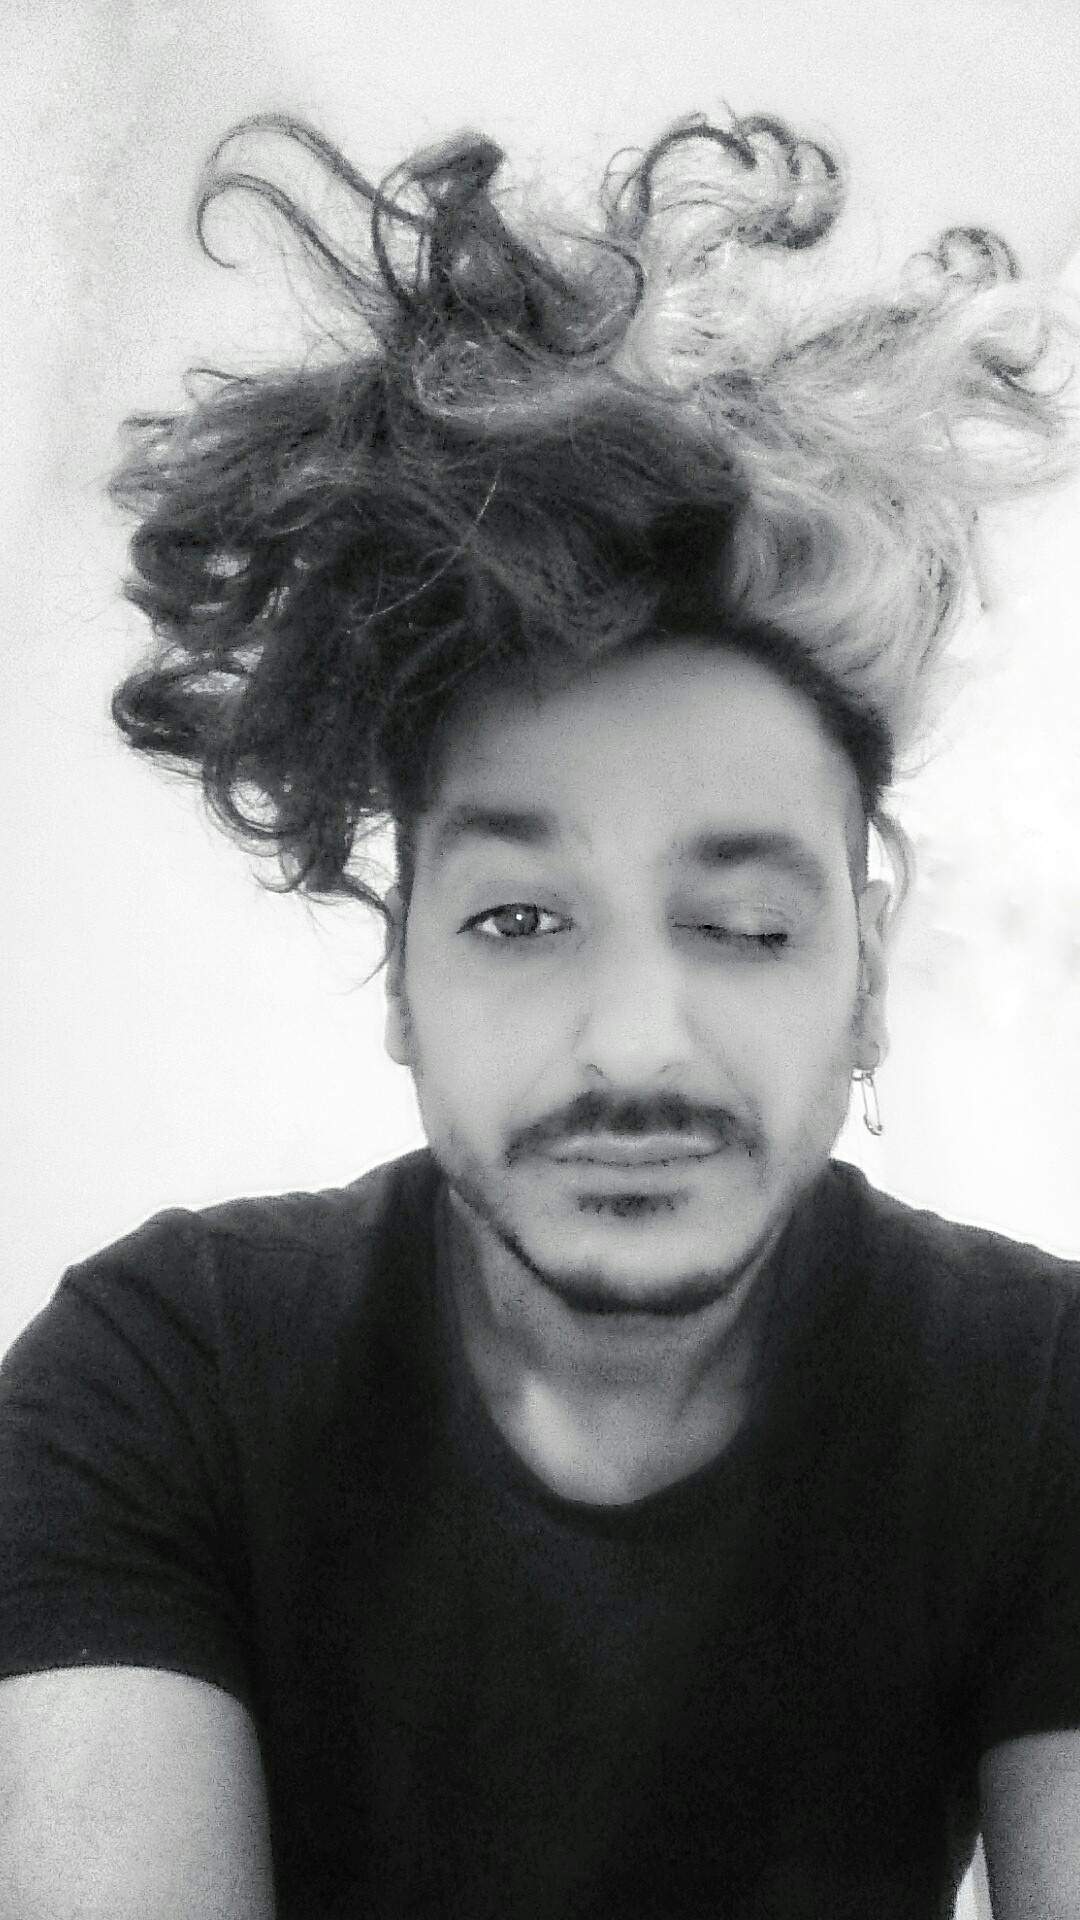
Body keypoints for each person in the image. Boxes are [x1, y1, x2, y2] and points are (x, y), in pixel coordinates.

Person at [1, 106, 1079, 1920]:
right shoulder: (163, 1377)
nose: (637, 1042)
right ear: (404, 979)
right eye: (518, 918)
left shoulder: (1041, 1401)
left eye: (743, 925)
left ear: (867, 980)